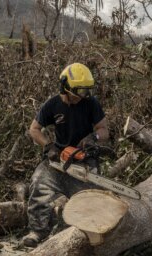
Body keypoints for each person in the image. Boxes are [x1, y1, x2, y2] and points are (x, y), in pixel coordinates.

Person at [22, 63, 112, 247]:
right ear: (65, 86)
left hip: (84, 159)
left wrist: (93, 137)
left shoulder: (91, 103)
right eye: (79, 91)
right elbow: (34, 129)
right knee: (38, 183)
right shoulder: (52, 105)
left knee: (92, 199)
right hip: (58, 159)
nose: (83, 95)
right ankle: (37, 231)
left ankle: (89, 236)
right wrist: (48, 146)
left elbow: (104, 130)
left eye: (86, 91)